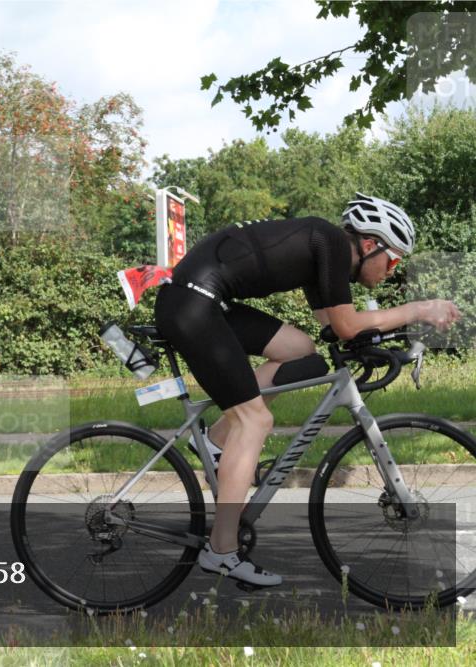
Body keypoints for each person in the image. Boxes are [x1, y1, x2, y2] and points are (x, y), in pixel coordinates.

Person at [153, 192, 461, 588]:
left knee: (299, 350)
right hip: (194, 304)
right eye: (394, 259)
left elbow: (334, 328)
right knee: (255, 421)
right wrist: (418, 309)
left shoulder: (327, 252)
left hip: (202, 300)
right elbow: (348, 326)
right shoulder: (331, 242)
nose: (391, 271)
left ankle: (215, 443)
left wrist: (386, 341)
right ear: (370, 245)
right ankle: (222, 551)